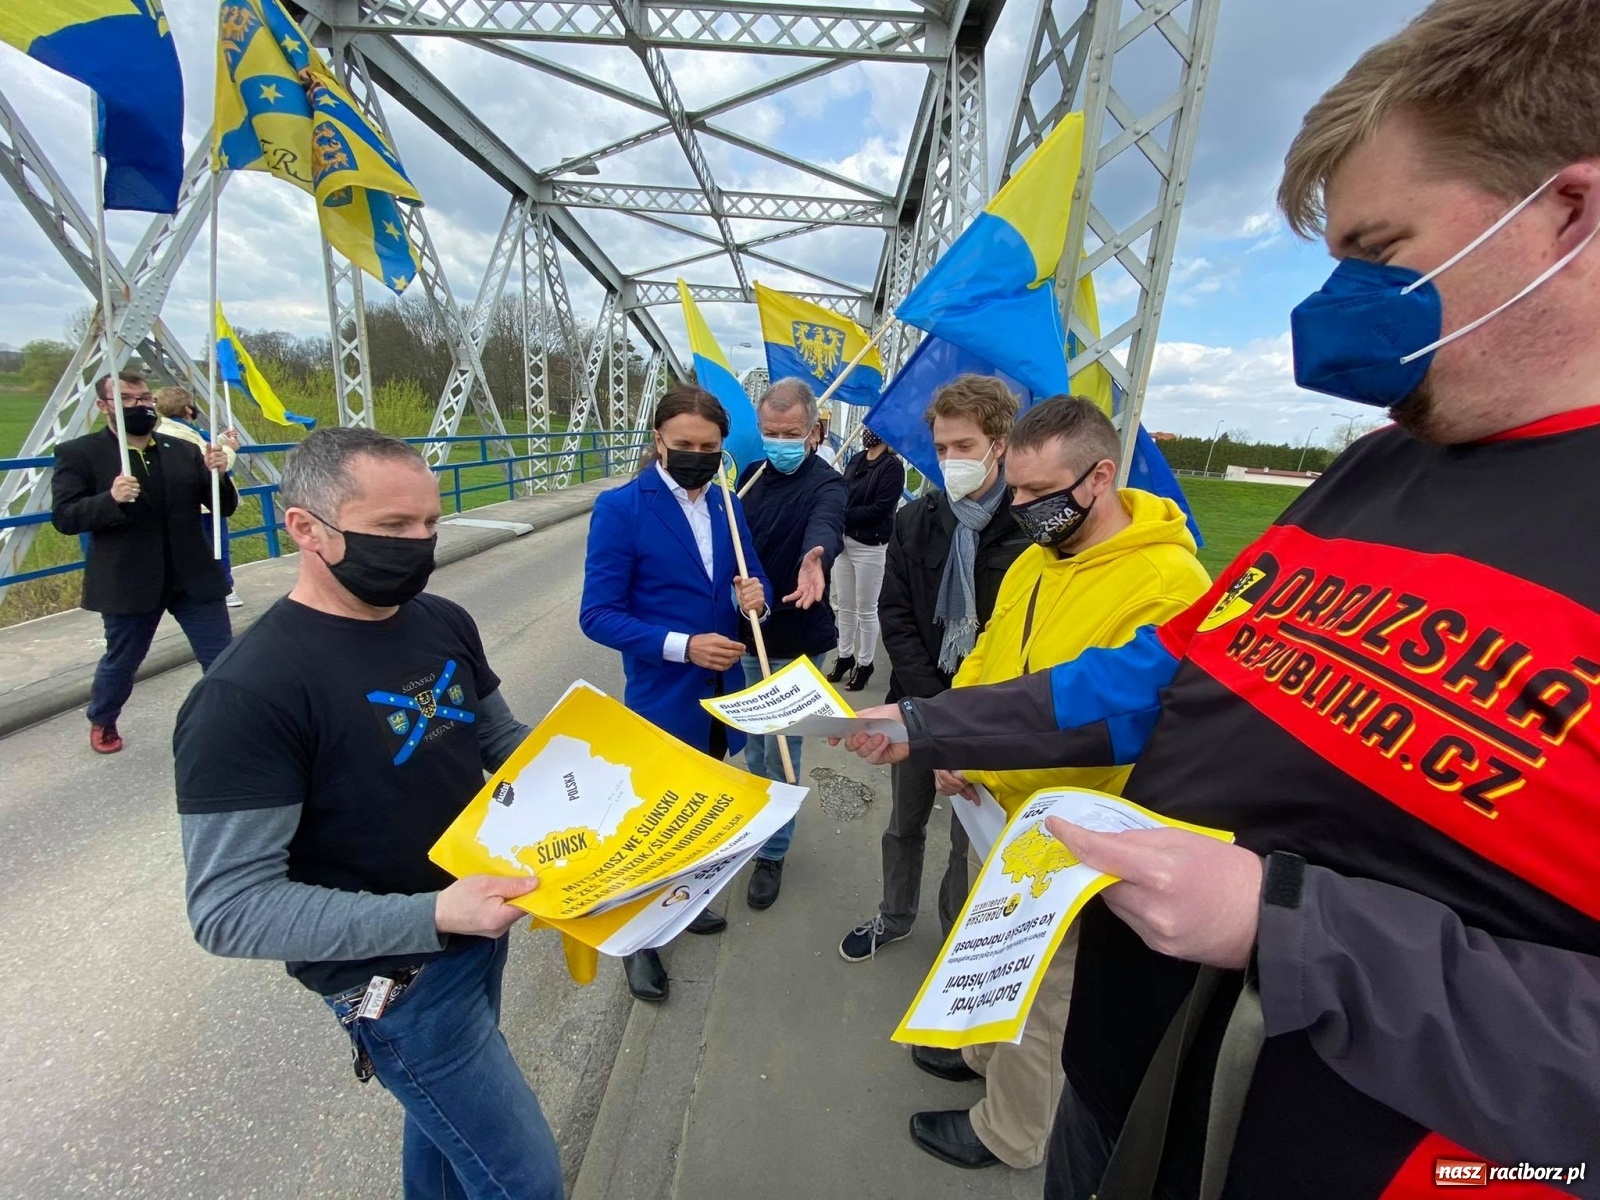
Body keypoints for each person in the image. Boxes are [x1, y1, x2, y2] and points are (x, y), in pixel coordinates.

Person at [842, 0, 1600, 1194]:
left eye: (1379, 250)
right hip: (1125, 1084)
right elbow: (1163, 678)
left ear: (1567, 211)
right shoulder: (1368, 476)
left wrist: (1288, 928)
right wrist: (931, 721)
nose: (1339, 301)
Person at [175, 427, 563, 1200]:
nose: (419, 544)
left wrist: (621, 776)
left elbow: (496, 739)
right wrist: (436, 914)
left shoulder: (441, 620)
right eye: (392, 526)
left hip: (477, 928)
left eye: (430, 522)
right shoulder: (248, 694)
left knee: (445, 1134)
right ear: (305, 527)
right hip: (395, 979)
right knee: (525, 1179)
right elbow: (229, 909)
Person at [903, 395, 1210, 1174]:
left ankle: (1012, 1131)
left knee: (1042, 989)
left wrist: (972, 750)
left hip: (1071, 826)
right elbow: (989, 655)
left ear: (1100, 477)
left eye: (1039, 492)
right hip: (994, 802)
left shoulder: (1166, 584)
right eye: (1014, 486)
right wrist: (953, 732)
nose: (1020, 506)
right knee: (994, 950)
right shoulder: (1039, 556)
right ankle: (981, 1056)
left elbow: (1099, 726)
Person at [579, 385, 773, 1002]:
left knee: (699, 809)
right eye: (684, 444)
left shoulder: (727, 504)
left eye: (709, 447)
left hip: (721, 692)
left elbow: (751, 577)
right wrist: (682, 646)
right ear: (658, 440)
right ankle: (639, 941)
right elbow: (598, 615)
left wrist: (757, 597)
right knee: (650, 821)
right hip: (662, 694)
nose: (696, 456)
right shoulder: (621, 509)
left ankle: (681, 901)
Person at [838, 374, 1028, 966]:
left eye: (964, 446)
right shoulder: (916, 519)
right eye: (942, 447)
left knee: (969, 840)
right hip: (916, 705)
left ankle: (956, 943)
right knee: (904, 823)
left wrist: (964, 719)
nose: (950, 460)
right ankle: (895, 916)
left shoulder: (1028, 530)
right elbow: (894, 614)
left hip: (990, 716)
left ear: (999, 444)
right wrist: (932, 713)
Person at [52, 372, 235, 755]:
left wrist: (220, 476)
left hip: (192, 574)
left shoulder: (182, 449)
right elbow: (65, 518)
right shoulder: (80, 453)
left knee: (223, 657)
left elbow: (223, 507)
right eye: (128, 400)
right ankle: (103, 717)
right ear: (103, 406)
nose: (141, 406)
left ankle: (236, 721)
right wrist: (110, 499)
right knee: (123, 660)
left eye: (146, 398)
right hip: (130, 579)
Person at [735, 376, 848, 909]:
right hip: (748, 631)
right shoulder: (749, 477)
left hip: (797, 635)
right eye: (770, 432)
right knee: (754, 745)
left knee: (782, 747)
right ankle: (760, 822)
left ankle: (773, 852)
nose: (780, 443)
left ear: (814, 432)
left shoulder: (828, 483)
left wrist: (815, 557)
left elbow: (827, 524)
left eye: (791, 433)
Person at [826, 427, 905, 692]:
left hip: (871, 545)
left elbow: (881, 508)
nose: (866, 432)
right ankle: (844, 655)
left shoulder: (892, 467)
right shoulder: (858, 458)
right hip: (845, 542)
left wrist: (844, 515)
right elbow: (842, 490)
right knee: (845, 605)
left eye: (872, 428)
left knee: (867, 608)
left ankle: (865, 662)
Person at [154, 386, 244, 607]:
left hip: (200, 501)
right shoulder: (178, 434)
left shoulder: (177, 430)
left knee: (211, 547)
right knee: (215, 547)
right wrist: (230, 450)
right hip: (203, 502)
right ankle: (224, 588)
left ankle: (216, 586)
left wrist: (222, 440)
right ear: (187, 408)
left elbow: (204, 447)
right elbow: (210, 464)